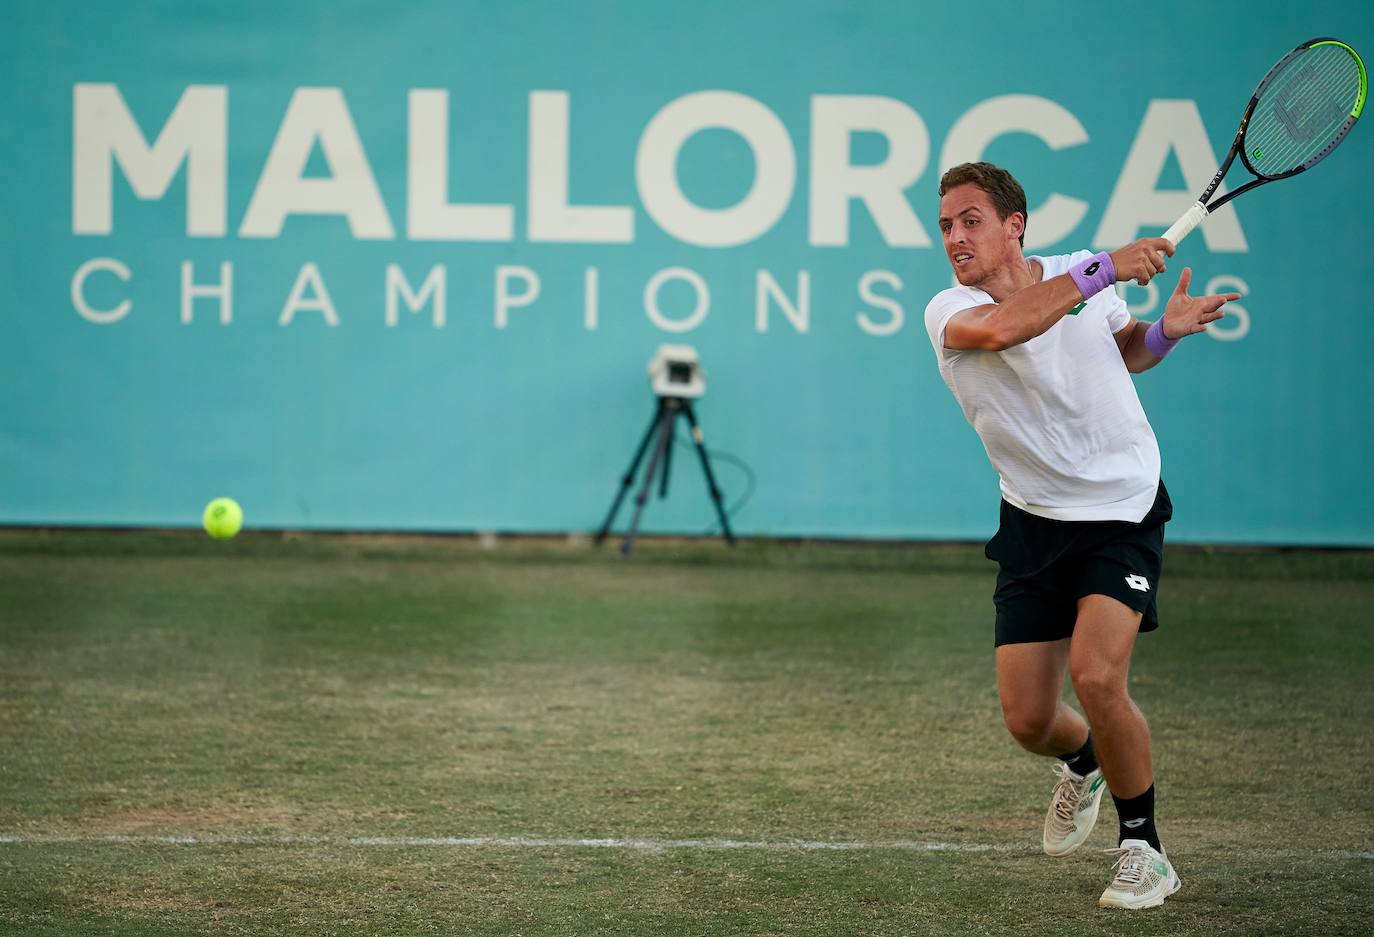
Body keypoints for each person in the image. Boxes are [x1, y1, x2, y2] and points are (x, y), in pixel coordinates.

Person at [922, 161, 1239, 910]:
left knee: (1098, 677)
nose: (956, 237)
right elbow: (1005, 328)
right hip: (1032, 517)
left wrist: (1163, 331)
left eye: (971, 220)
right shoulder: (948, 309)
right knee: (1029, 718)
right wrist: (1104, 269)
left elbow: (1122, 350)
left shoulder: (1076, 277)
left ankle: (1144, 848)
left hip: (1120, 507)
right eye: (945, 226)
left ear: (1014, 226)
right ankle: (1085, 759)